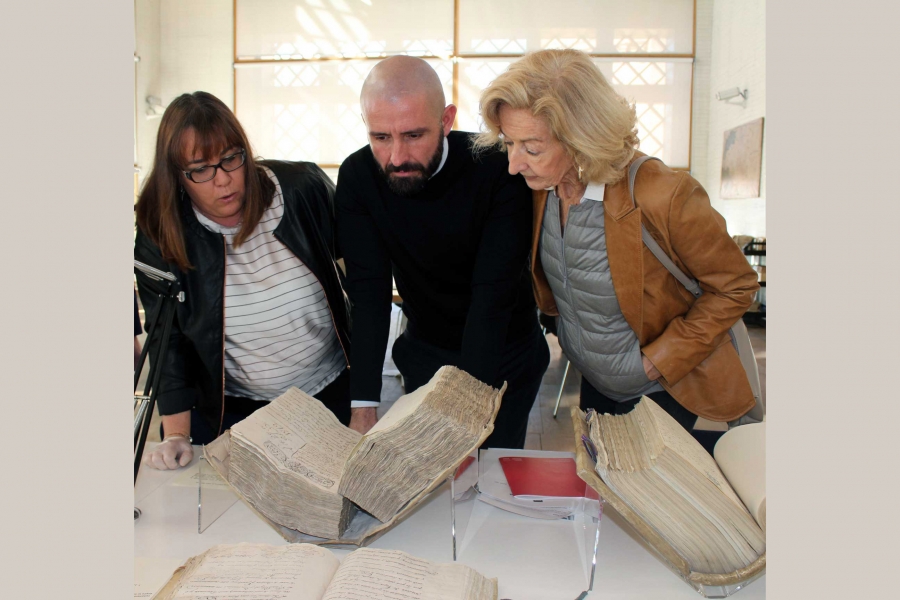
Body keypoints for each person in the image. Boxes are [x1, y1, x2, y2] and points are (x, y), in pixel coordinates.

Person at [475, 49, 760, 432]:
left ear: (581, 137)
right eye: (509, 143)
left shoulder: (664, 194)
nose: (514, 164)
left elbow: (736, 286)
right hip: (597, 385)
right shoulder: (542, 188)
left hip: (668, 392)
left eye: (532, 148)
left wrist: (654, 362)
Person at [335, 56, 549, 449]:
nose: (397, 157)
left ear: (446, 120)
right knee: (428, 467)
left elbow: (492, 298)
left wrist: (466, 415)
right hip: (426, 348)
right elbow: (369, 294)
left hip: (505, 350)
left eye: (413, 135)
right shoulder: (357, 177)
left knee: (490, 469)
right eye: (380, 137)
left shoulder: (496, 167)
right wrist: (363, 405)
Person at [134, 91, 352, 470]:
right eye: (200, 169)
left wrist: (365, 400)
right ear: (178, 177)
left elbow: (365, 274)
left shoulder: (301, 189)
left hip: (330, 393)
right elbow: (168, 342)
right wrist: (176, 434)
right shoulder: (160, 233)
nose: (223, 180)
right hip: (233, 412)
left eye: (231, 158)